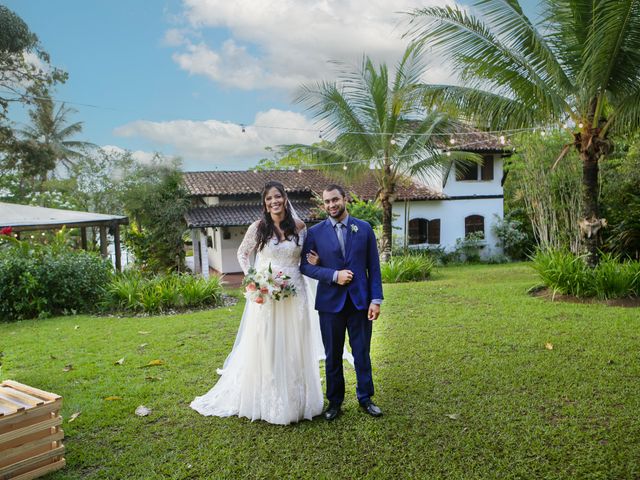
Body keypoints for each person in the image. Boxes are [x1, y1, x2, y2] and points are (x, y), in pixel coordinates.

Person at [190, 181, 324, 425]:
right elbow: (242, 253)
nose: (274, 202)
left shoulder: (300, 226)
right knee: (269, 342)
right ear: (264, 202)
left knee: (295, 343)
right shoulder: (258, 227)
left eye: (278, 197)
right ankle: (272, 400)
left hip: (295, 292)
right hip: (268, 294)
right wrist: (255, 277)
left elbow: (304, 257)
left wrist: (314, 262)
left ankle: (298, 400)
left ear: (285, 198)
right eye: (269, 198)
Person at [300, 184, 384, 421]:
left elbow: (374, 268)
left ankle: (366, 398)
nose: (331, 205)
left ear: (344, 199)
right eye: (326, 202)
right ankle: (334, 402)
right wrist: (333, 275)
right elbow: (305, 266)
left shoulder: (364, 229)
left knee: (362, 353)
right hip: (330, 305)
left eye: (335, 200)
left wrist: (375, 300)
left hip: (360, 302)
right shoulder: (315, 233)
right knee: (332, 355)